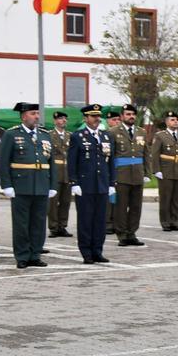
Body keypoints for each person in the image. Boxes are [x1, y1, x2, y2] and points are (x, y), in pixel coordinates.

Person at [0, 102, 58, 269]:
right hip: (21, 186)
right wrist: (7, 185)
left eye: (37, 113)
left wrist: (52, 184)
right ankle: (22, 255)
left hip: (41, 184)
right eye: (33, 113)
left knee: (38, 223)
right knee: (21, 224)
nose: (37, 117)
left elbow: (51, 162)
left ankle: (35, 254)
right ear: (24, 116)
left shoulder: (45, 135)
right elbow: (3, 162)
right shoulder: (12, 134)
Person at [68, 104, 115, 265]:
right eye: (93, 116)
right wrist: (74, 182)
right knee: (86, 220)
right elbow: (72, 162)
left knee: (100, 220)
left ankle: (97, 250)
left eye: (98, 116)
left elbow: (110, 162)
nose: (96, 119)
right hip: (85, 185)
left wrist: (111, 183)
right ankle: (86, 252)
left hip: (102, 184)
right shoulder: (77, 136)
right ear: (85, 118)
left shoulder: (106, 136)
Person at [147, 111, 178, 232]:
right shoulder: (160, 136)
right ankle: (165, 222)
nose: (175, 121)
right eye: (172, 119)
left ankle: (174, 222)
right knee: (166, 198)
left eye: (176, 119)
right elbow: (155, 154)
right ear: (166, 122)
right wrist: (156, 170)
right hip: (165, 170)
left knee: (177, 198)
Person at [110, 104, 146, 247]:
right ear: (122, 116)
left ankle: (132, 233)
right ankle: (122, 234)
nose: (131, 116)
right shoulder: (113, 132)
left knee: (136, 206)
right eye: (127, 114)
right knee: (121, 206)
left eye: (133, 114)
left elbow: (145, 153)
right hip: (121, 174)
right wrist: (111, 176)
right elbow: (110, 155)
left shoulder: (141, 132)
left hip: (137, 173)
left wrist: (147, 172)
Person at [47, 111, 74, 238]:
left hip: (67, 172)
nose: (63, 121)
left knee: (65, 201)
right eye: (60, 118)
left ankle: (62, 225)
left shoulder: (70, 136)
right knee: (53, 202)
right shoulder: (49, 135)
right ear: (55, 121)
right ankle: (53, 227)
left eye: (65, 118)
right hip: (56, 171)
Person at [104, 109, 121, 235]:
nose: (116, 122)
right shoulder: (105, 134)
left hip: (120, 170)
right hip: (108, 171)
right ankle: (107, 223)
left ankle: (116, 222)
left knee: (118, 198)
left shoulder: (121, 134)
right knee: (109, 199)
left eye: (118, 120)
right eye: (113, 120)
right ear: (107, 121)